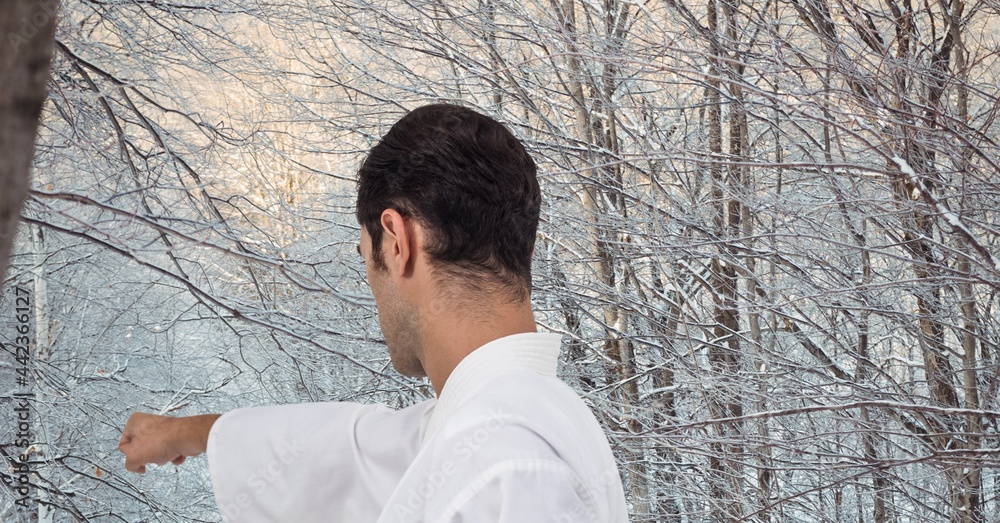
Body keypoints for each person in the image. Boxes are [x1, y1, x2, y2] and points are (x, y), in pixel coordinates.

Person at [118, 103, 630, 522]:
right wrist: (190, 433)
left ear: (398, 239)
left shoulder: (506, 464)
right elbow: (353, 449)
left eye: (367, 258)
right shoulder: (512, 418)